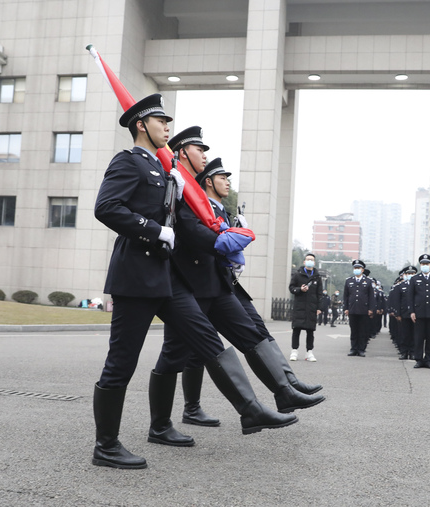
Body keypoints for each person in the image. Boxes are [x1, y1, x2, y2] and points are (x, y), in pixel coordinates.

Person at [91, 97, 295, 470]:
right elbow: (106, 207)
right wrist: (154, 231)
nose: (167, 127)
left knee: (206, 339)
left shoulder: (165, 169)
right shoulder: (128, 162)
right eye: (160, 121)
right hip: (136, 276)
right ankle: (106, 445)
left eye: (168, 122)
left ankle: (249, 410)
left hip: (167, 276)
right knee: (121, 362)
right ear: (141, 125)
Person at [149, 134, 324, 447]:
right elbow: (189, 229)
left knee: (250, 334)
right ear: (182, 153)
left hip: (215, 284)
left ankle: (281, 392)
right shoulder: (179, 185)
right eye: (199, 149)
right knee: (175, 357)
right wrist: (224, 238)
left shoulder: (189, 187)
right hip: (188, 286)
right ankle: (161, 425)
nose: (204, 153)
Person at [408, 254, 430, 369]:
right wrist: (412, 312)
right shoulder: (414, 279)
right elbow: (410, 297)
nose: (425, 266)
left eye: (427, 264)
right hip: (419, 312)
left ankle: (428, 360)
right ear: (420, 265)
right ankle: (418, 359)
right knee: (418, 337)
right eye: (423, 264)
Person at [289, 253, 323, 362]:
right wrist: (300, 289)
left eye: (311, 260)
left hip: (311, 307)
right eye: (308, 259)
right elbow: (291, 287)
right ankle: (294, 351)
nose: (309, 261)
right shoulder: (297, 274)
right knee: (296, 329)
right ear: (304, 262)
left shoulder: (317, 277)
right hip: (299, 306)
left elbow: (320, 294)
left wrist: (319, 307)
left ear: (314, 262)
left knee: (310, 331)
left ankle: (309, 352)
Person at [344, 259, 376, 357]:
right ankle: (353, 348)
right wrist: (346, 308)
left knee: (363, 330)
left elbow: (371, 297)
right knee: (354, 330)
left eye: (358, 268)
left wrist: (371, 309)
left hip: (364, 310)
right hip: (352, 309)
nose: (356, 269)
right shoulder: (349, 281)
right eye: (355, 268)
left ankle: (361, 349)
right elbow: (346, 296)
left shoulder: (368, 281)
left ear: (362, 270)